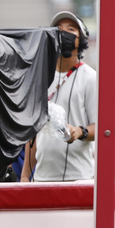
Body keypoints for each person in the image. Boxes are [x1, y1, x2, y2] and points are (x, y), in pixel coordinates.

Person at [21, 11, 97, 182]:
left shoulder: (90, 78)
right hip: (42, 179)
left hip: (80, 179)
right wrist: (26, 175)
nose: (63, 33)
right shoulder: (38, 77)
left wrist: (79, 132)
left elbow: (101, 127)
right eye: (58, 29)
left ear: (81, 40)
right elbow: (32, 134)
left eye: (71, 29)